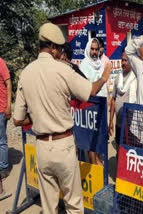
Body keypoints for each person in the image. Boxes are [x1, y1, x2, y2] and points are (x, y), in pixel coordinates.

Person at [13, 22, 112, 214]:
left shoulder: (26, 73)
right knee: (74, 205)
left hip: (42, 148)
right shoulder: (63, 70)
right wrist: (104, 77)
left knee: (49, 206)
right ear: (51, 47)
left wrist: (38, 117)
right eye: (58, 48)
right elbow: (90, 90)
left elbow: (17, 120)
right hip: (63, 145)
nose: (59, 52)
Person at [108, 50, 137, 144]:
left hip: (131, 125)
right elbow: (113, 100)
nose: (123, 63)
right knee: (119, 148)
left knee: (129, 150)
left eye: (126, 60)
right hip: (119, 124)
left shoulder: (136, 79)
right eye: (122, 60)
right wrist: (111, 120)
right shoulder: (117, 78)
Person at [0, 57, 12, 201]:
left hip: (1, 109)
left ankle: (3, 169)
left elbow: (9, 83)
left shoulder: (1, 62)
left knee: (1, 140)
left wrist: (9, 106)